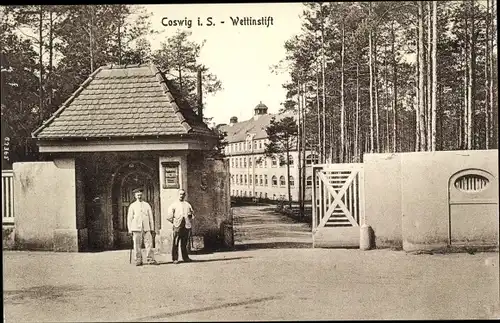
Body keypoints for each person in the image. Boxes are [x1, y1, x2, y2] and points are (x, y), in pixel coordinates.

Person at [127, 188, 158, 266]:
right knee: (137, 245)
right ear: (135, 196)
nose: (139, 196)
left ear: (142, 195)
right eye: (138, 195)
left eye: (140, 195)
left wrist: (152, 228)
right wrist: (130, 229)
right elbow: (129, 218)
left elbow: (151, 217)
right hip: (136, 228)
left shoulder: (146, 205)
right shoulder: (132, 206)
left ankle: (150, 259)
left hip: (146, 227)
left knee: (149, 244)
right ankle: (138, 260)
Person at [167, 189, 194, 264]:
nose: (181, 196)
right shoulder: (174, 205)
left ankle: (185, 257)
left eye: (183, 194)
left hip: (186, 225)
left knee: (184, 243)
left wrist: (190, 215)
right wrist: (175, 223)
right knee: (175, 242)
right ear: (178, 195)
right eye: (180, 194)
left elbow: (192, 215)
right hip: (177, 226)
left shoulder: (187, 205)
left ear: (185, 195)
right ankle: (175, 258)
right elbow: (169, 217)